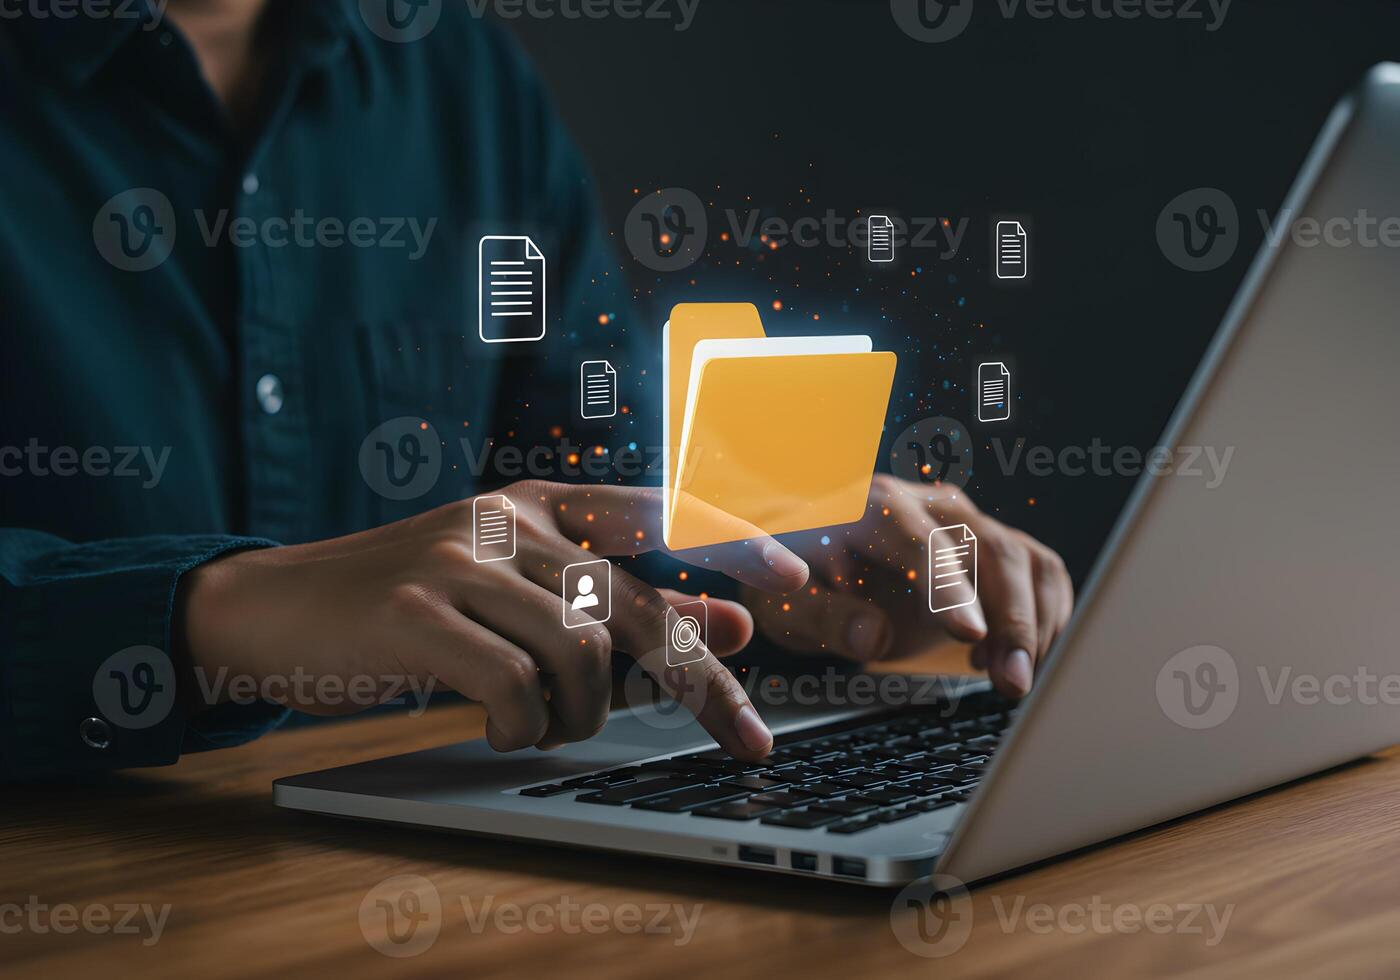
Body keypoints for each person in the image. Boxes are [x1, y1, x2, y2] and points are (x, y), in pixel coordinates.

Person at [0, 0, 1073, 781]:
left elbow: (593, 499)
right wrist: (215, 612)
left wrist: (797, 564)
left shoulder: (455, 73)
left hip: (422, 856)